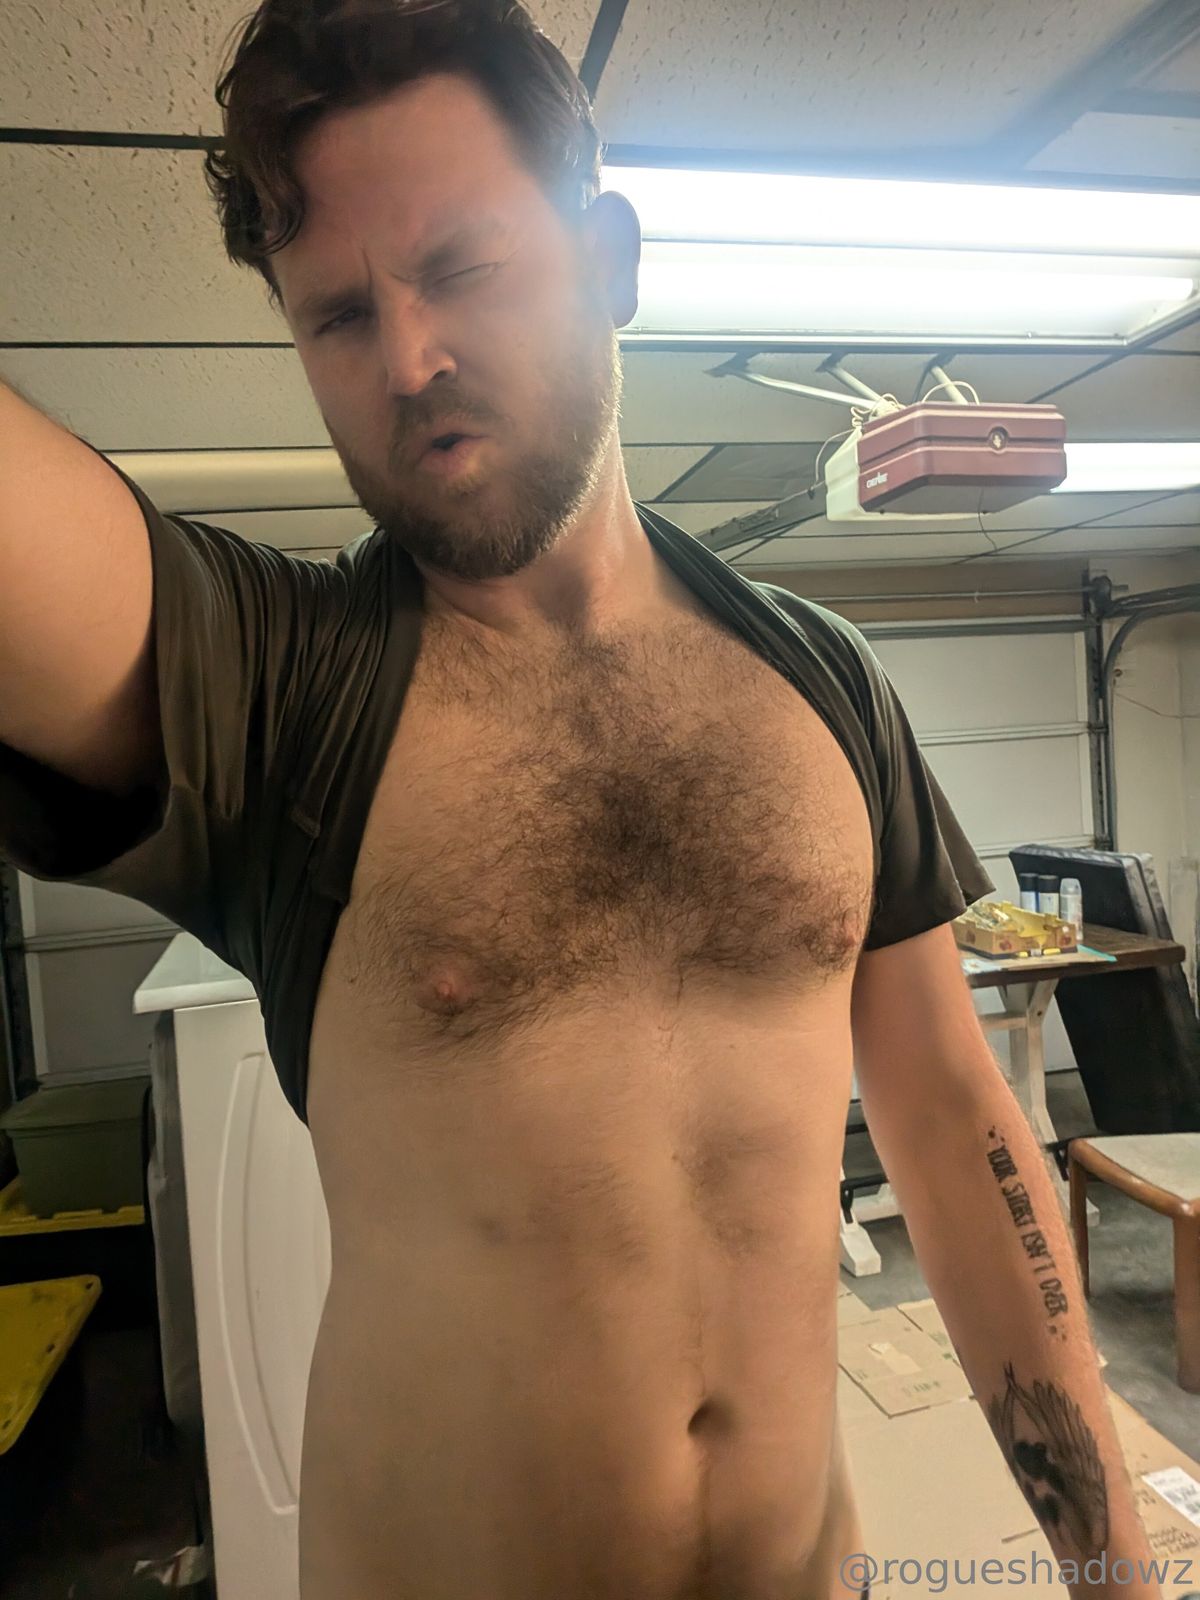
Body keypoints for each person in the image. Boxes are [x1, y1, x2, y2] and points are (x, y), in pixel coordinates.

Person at [0, 3, 1164, 1596]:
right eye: (337, 313)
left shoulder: (824, 681)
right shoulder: (277, 692)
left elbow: (958, 1125)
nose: (408, 359)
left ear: (609, 261)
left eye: (461, 266)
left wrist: (1114, 1566)